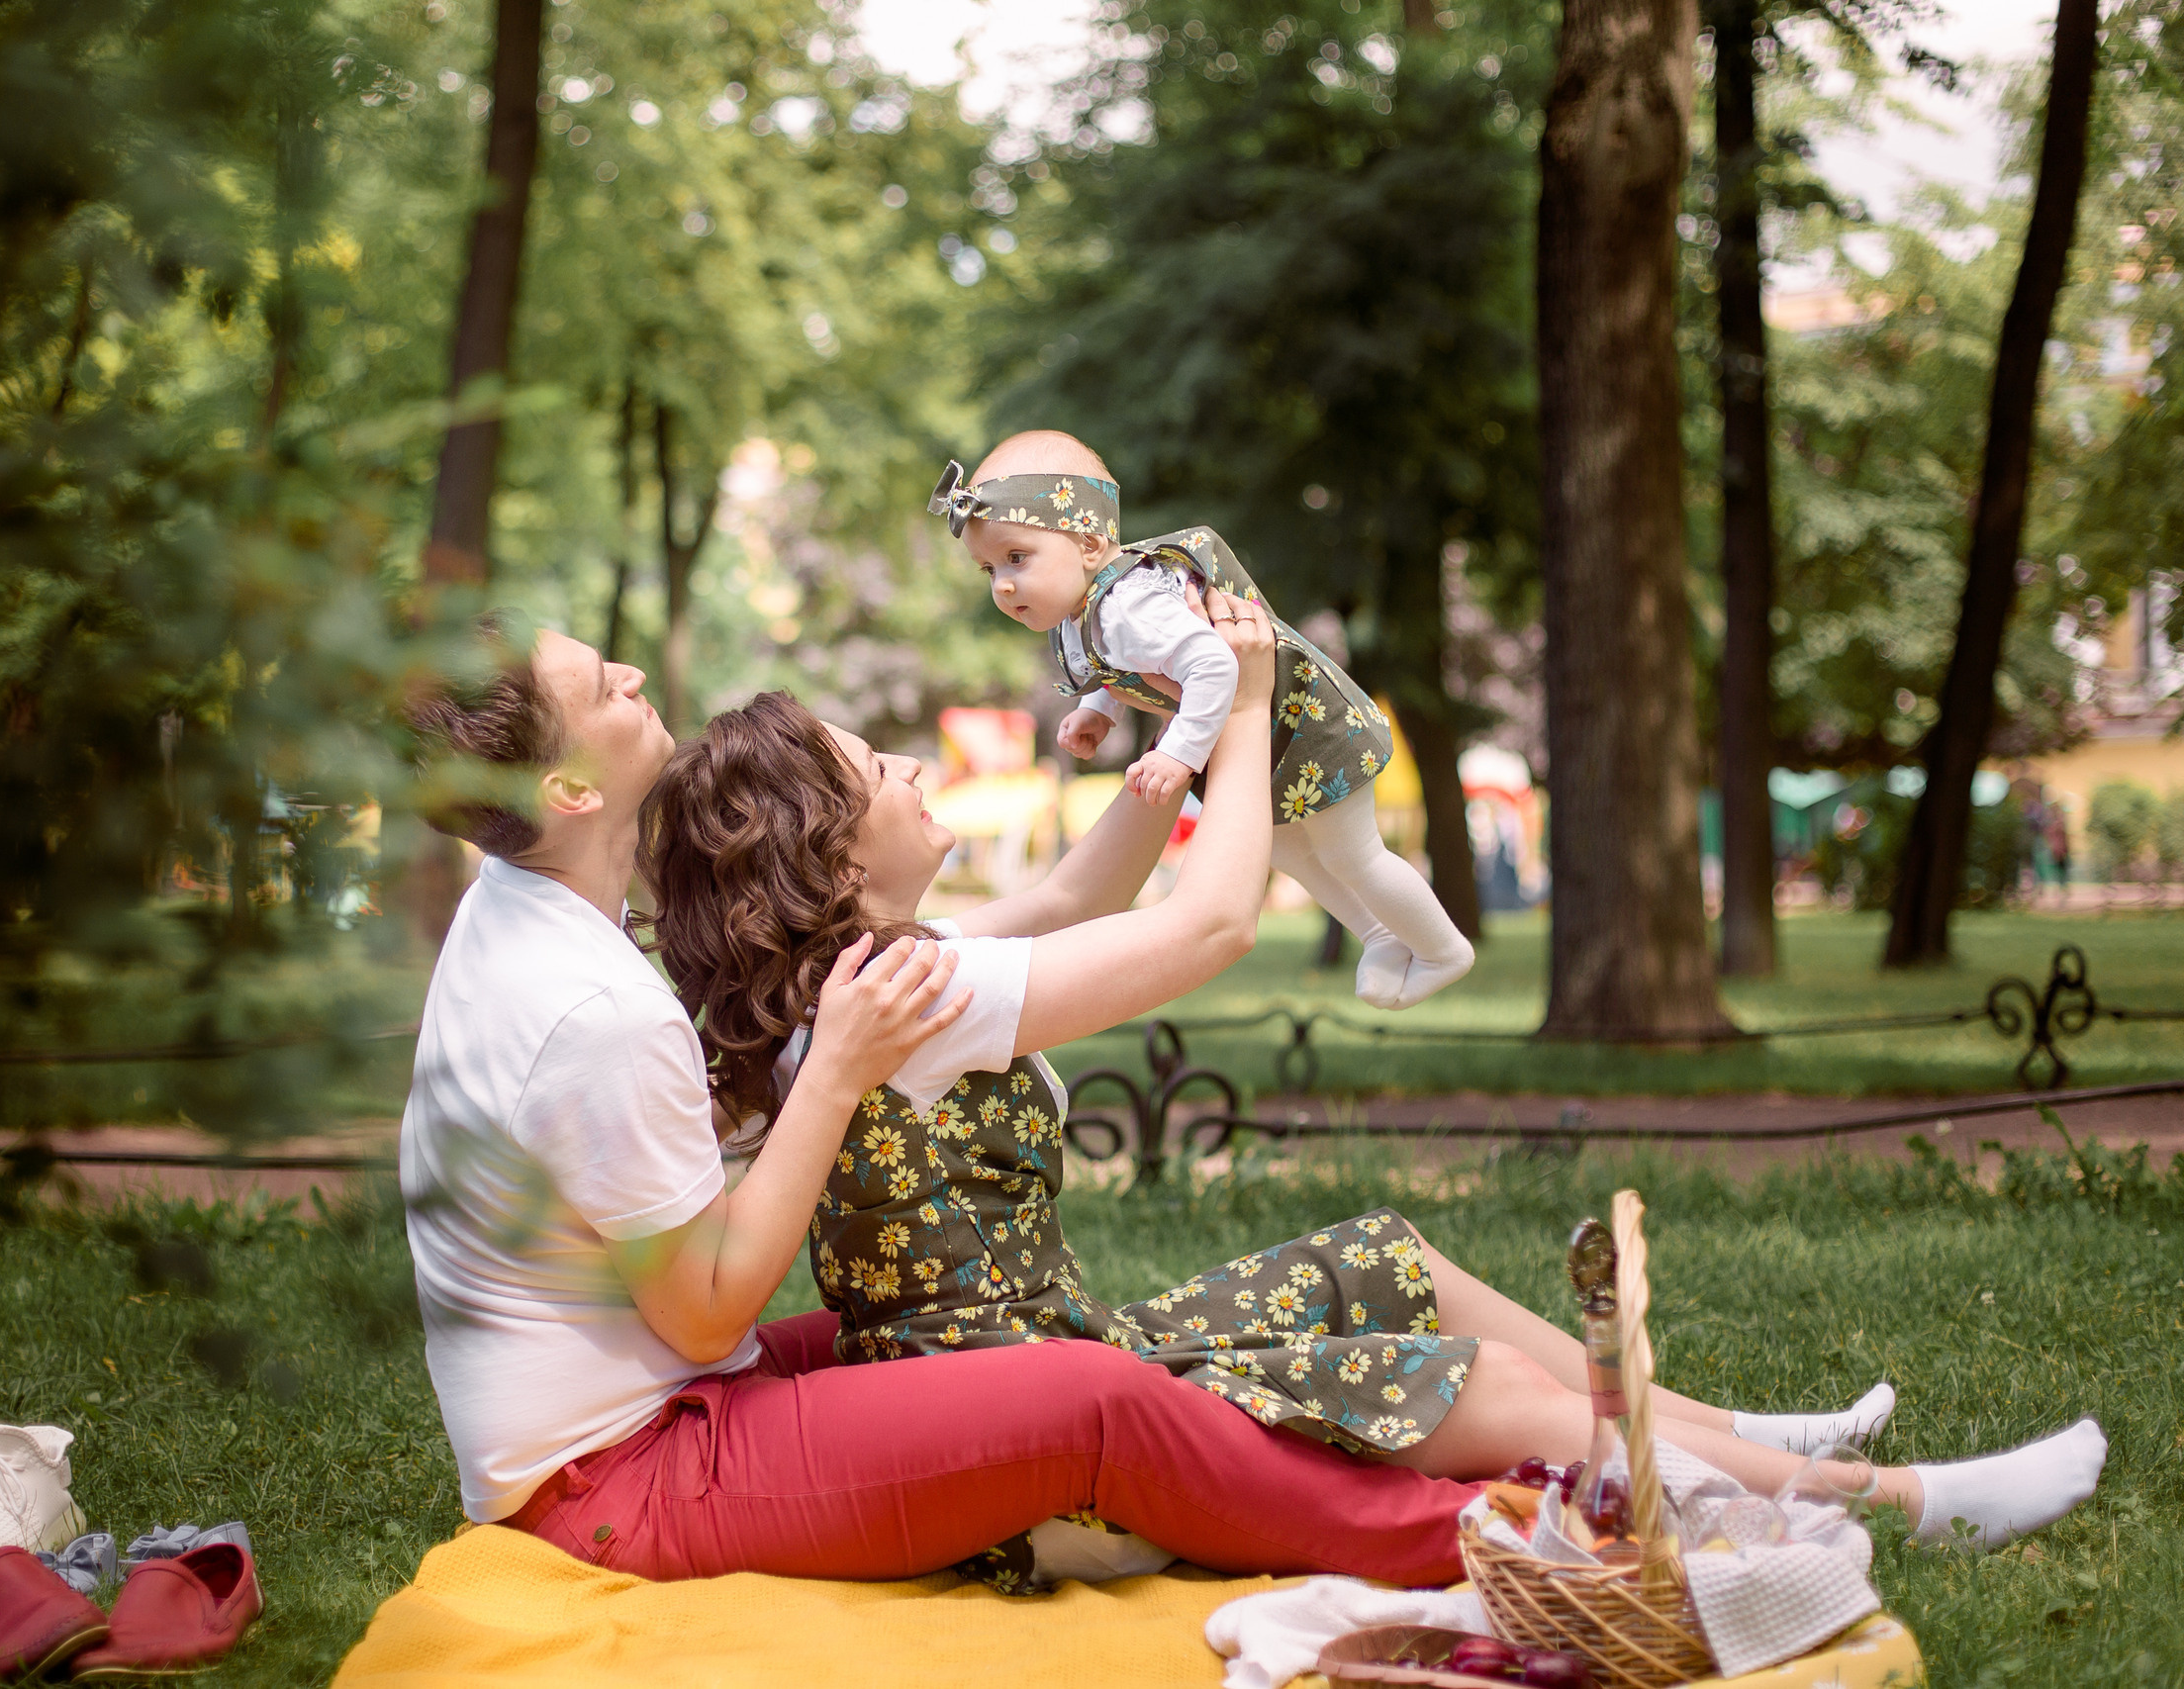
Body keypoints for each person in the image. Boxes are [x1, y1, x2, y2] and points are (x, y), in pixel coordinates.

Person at [638, 590, 2106, 1575]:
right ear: (832, 854)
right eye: (874, 766)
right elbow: (1207, 928)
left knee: (1380, 1255)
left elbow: (1085, 891)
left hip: (1040, 1366)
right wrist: (1251, 700)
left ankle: (1734, 1437)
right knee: (1478, 1386)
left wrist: (1181, 725)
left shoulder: (874, 980)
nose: (910, 764)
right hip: (1043, 1445)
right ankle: (1895, 1502)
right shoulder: (913, 997)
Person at [398, 615, 1484, 1594]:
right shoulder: (592, 1009)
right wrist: (837, 1072)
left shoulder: (522, 912)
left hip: (654, 1407)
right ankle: (1478, 1537)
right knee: (1089, 1399)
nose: (632, 673)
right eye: (602, 687)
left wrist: (1183, 727)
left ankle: (1361, 1443)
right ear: (570, 791)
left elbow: (1061, 904)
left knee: (968, 1338)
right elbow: (707, 1312)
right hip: (619, 1480)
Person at [932, 429, 1472, 1011]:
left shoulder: (1131, 605)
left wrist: (1177, 753)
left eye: (1016, 558)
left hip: (1309, 726)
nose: (1003, 583)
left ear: (1089, 543)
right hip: (1263, 743)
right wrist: (1098, 708)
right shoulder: (1086, 610)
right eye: (988, 568)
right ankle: (1380, 934)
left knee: (1351, 853)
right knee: (1284, 849)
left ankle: (1444, 950)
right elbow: (1137, 663)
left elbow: (1214, 664)